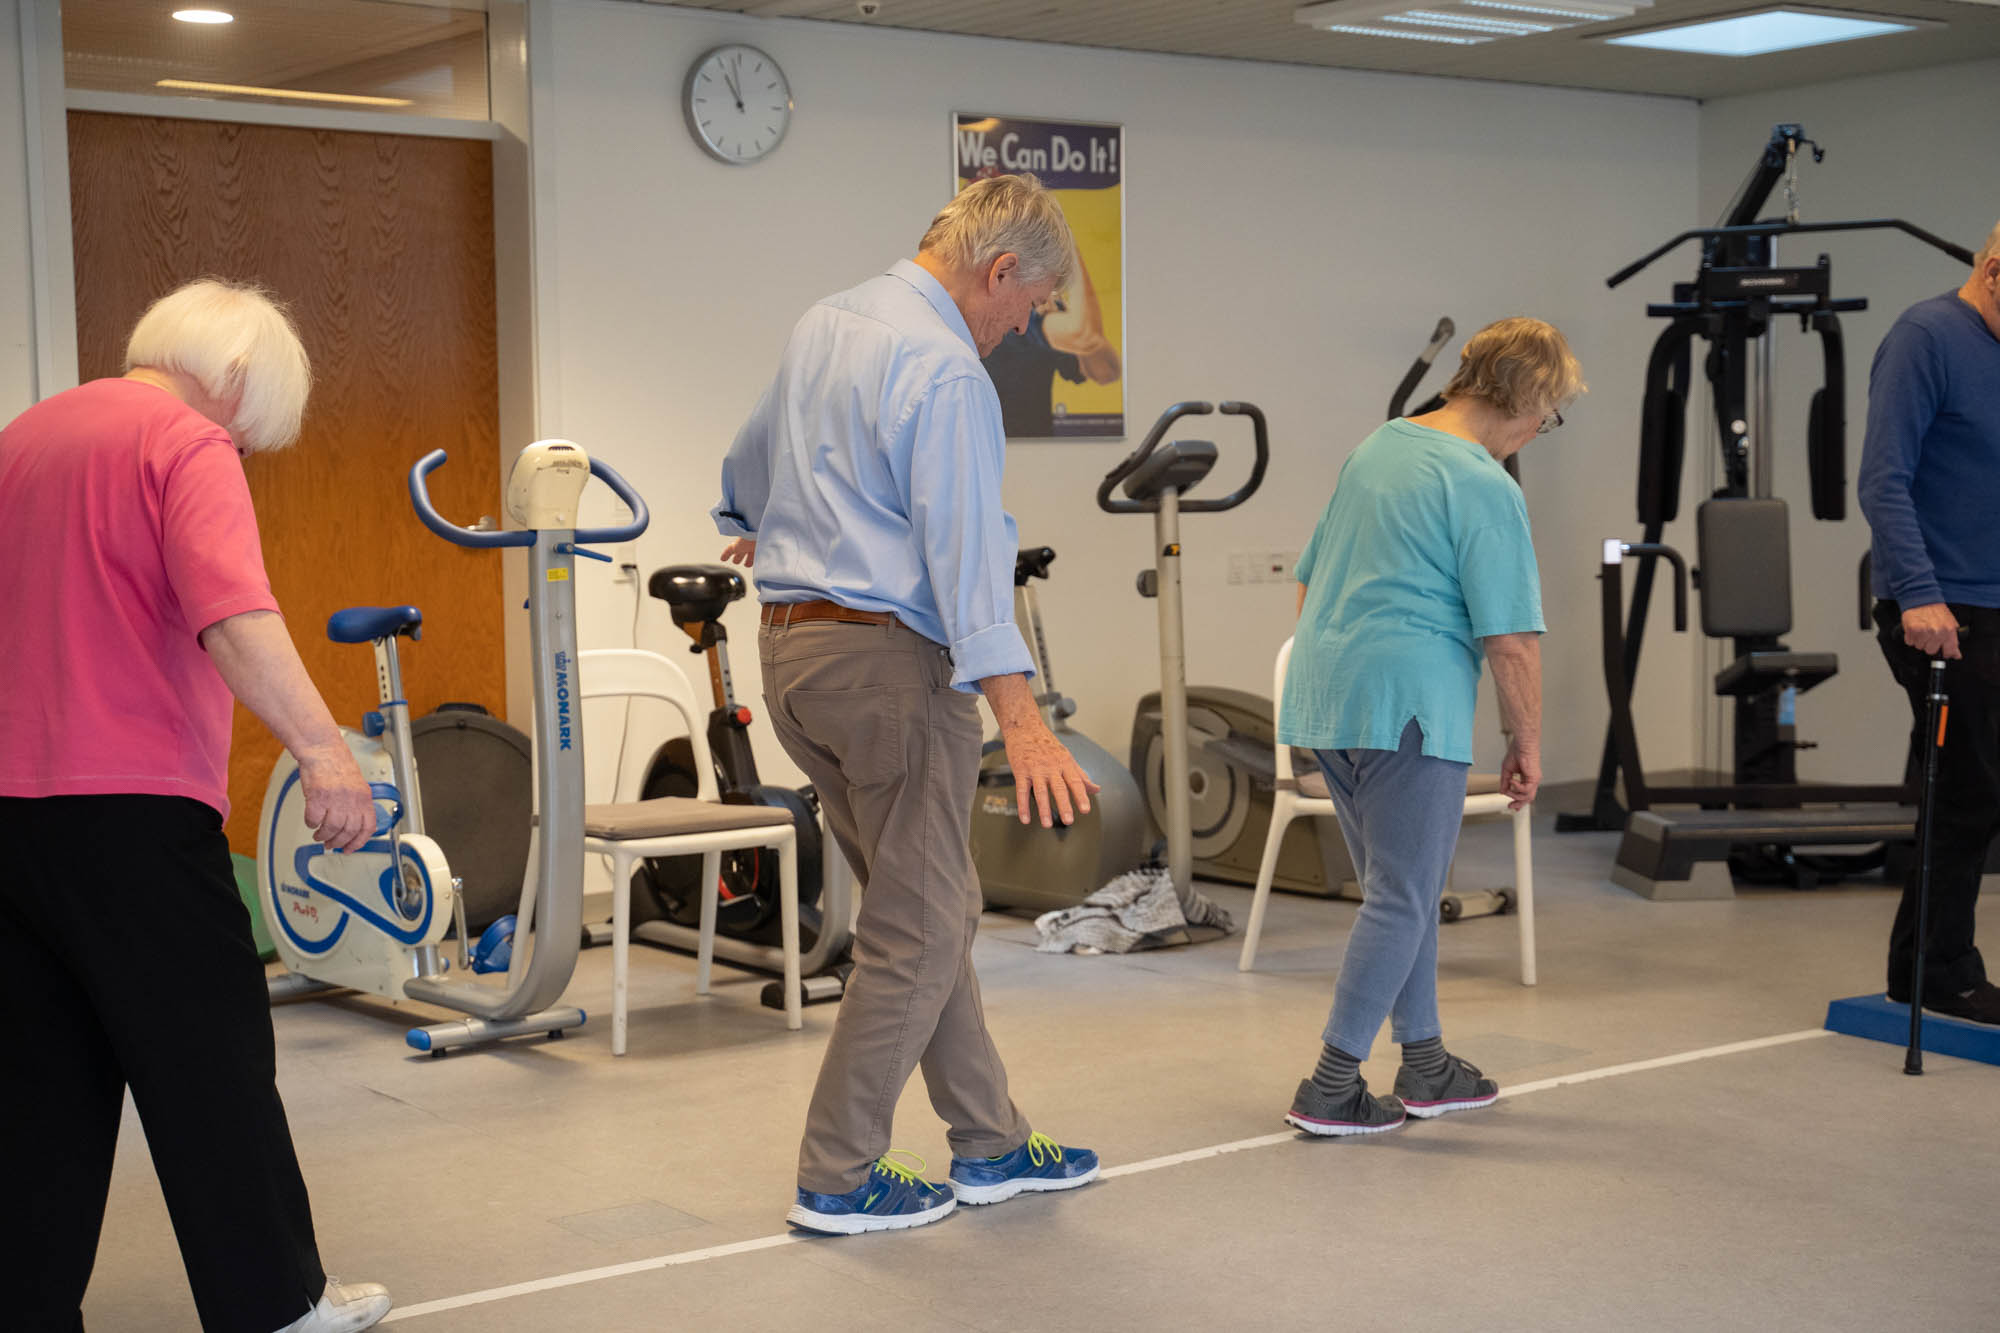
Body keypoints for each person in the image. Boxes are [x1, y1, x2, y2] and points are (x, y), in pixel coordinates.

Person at [0, 279, 392, 1332]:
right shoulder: (184, 444)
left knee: (41, 1089)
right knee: (211, 1066)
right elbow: (235, 611)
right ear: (235, 378)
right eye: (256, 430)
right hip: (132, 811)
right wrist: (324, 751)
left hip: (12, 810)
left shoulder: (25, 435)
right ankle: (278, 1305)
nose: (248, 449)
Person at [713, 173, 1101, 1234]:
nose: (1023, 327)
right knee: (923, 927)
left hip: (796, 657)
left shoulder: (826, 321)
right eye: (1028, 306)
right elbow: (970, 562)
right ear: (999, 269)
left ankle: (988, 1140)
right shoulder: (942, 370)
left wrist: (769, 520)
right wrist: (1021, 718)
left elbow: (745, 466)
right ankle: (838, 1171)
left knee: (918, 911)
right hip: (889, 669)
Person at [1278, 317, 1581, 1136]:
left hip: (1328, 698)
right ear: (1526, 398)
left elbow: (1307, 582)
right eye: (1547, 417)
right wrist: (1526, 743)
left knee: (1396, 892)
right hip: (1411, 704)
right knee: (1404, 896)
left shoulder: (1378, 447)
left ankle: (1426, 1060)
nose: (1537, 434)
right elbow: (1511, 639)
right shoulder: (1484, 484)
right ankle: (1333, 1083)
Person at [1857, 217, 2000, 1027]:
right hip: (1939, 610)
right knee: (1969, 789)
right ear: (1993, 269)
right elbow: (1883, 480)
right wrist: (1917, 591)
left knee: (1984, 787)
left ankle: (1932, 964)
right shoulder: (1926, 337)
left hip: (1997, 601)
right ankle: (1935, 972)